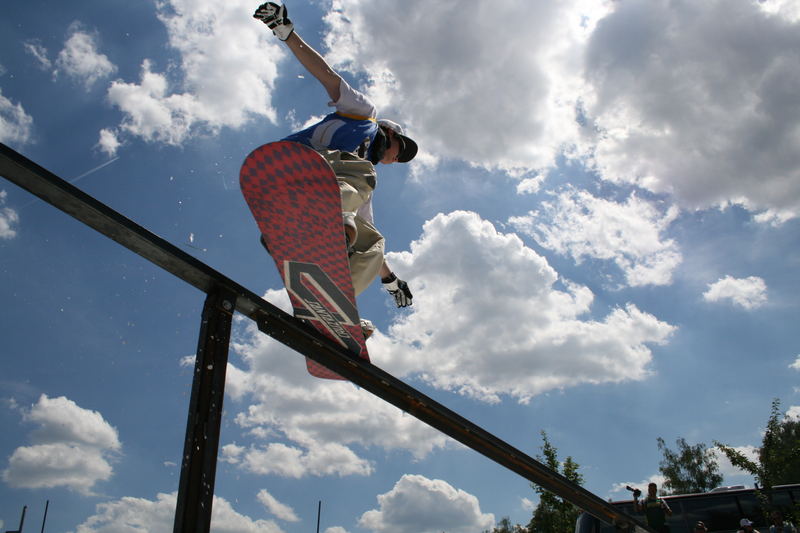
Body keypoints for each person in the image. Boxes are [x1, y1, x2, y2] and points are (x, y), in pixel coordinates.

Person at [252, 2, 415, 336]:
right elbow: (326, 76)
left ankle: (327, 303)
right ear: (391, 133)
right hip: (287, 170)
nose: (396, 160)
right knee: (360, 175)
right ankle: (326, 226)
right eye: (401, 151)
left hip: (323, 198)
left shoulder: (361, 183)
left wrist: (391, 281)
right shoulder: (364, 115)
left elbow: (366, 233)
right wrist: (286, 32)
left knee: (373, 244)